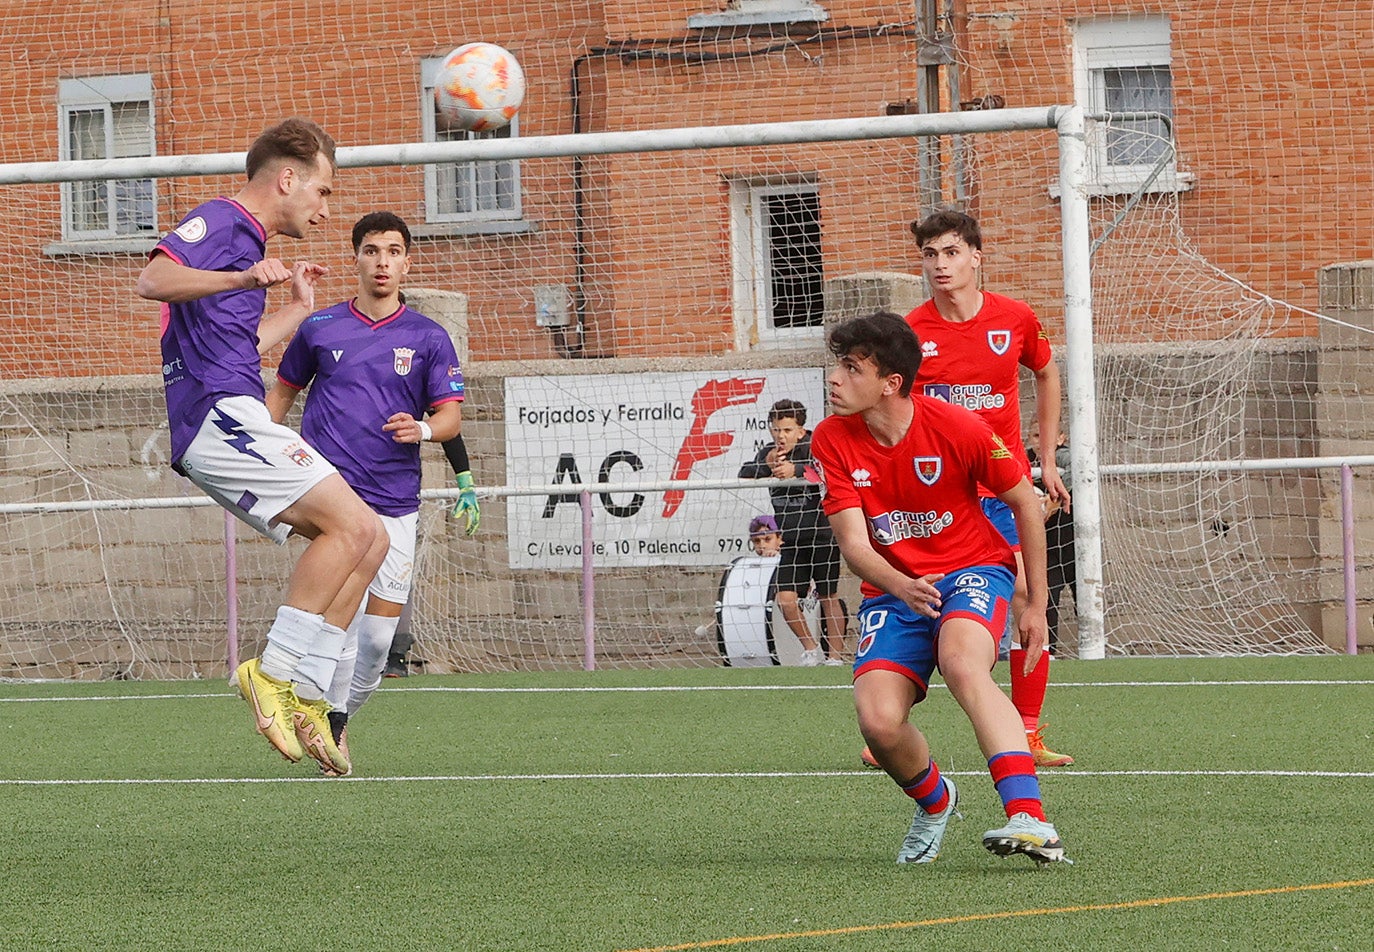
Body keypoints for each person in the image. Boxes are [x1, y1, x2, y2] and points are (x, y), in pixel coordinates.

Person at [136, 118, 384, 775]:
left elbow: (234, 349)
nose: (325, 210)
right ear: (287, 178)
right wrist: (242, 278)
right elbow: (155, 279)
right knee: (353, 525)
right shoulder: (224, 222)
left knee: (371, 540)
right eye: (323, 192)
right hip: (217, 419)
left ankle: (306, 693)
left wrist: (297, 307)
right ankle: (270, 673)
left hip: (231, 405)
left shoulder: (246, 244)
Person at [810, 310, 1070, 866]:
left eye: (851, 368)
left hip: (975, 569)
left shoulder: (958, 426)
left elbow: (1025, 501)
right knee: (879, 722)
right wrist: (901, 585)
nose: (834, 378)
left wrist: (1038, 604)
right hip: (894, 587)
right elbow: (855, 546)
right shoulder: (832, 440)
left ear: (891, 383)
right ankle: (936, 801)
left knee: (961, 662)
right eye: (837, 366)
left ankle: (1031, 818)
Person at [266, 211, 477, 774]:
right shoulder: (321, 328)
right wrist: (264, 456)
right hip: (334, 501)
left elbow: (451, 417)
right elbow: (282, 393)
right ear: (355, 258)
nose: (381, 261)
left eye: (392, 251)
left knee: (379, 643)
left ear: (407, 261)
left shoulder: (429, 337)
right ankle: (313, 715)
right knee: (341, 621)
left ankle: (334, 720)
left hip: (396, 504)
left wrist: (424, 429)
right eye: (370, 251)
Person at [902, 208, 1074, 768]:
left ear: (977, 256)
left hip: (1002, 486)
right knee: (923, 601)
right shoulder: (911, 332)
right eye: (930, 255)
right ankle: (889, 721)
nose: (940, 265)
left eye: (951, 252)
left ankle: (1027, 732)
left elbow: (1046, 372)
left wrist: (1044, 460)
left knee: (1026, 595)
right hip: (939, 492)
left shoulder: (1016, 318)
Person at [738, 399, 846, 666]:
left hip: (822, 535)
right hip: (792, 540)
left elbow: (830, 470)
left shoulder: (815, 446)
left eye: (787, 430)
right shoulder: (770, 451)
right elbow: (745, 471)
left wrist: (796, 471)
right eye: (776, 430)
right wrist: (767, 463)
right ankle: (810, 648)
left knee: (828, 596)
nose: (781, 436)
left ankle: (834, 657)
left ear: (800, 430)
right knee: (785, 600)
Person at [1029, 427, 1076, 650]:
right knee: (1048, 596)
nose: (1041, 441)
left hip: (1073, 543)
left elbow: (1079, 470)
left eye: (1047, 435)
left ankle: (1095, 642)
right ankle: (1050, 648)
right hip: (1046, 546)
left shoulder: (1066, 456)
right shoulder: (1025, 459)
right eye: (1036, 435)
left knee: (1083, 595)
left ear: (1060, 438)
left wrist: (1053, 499)